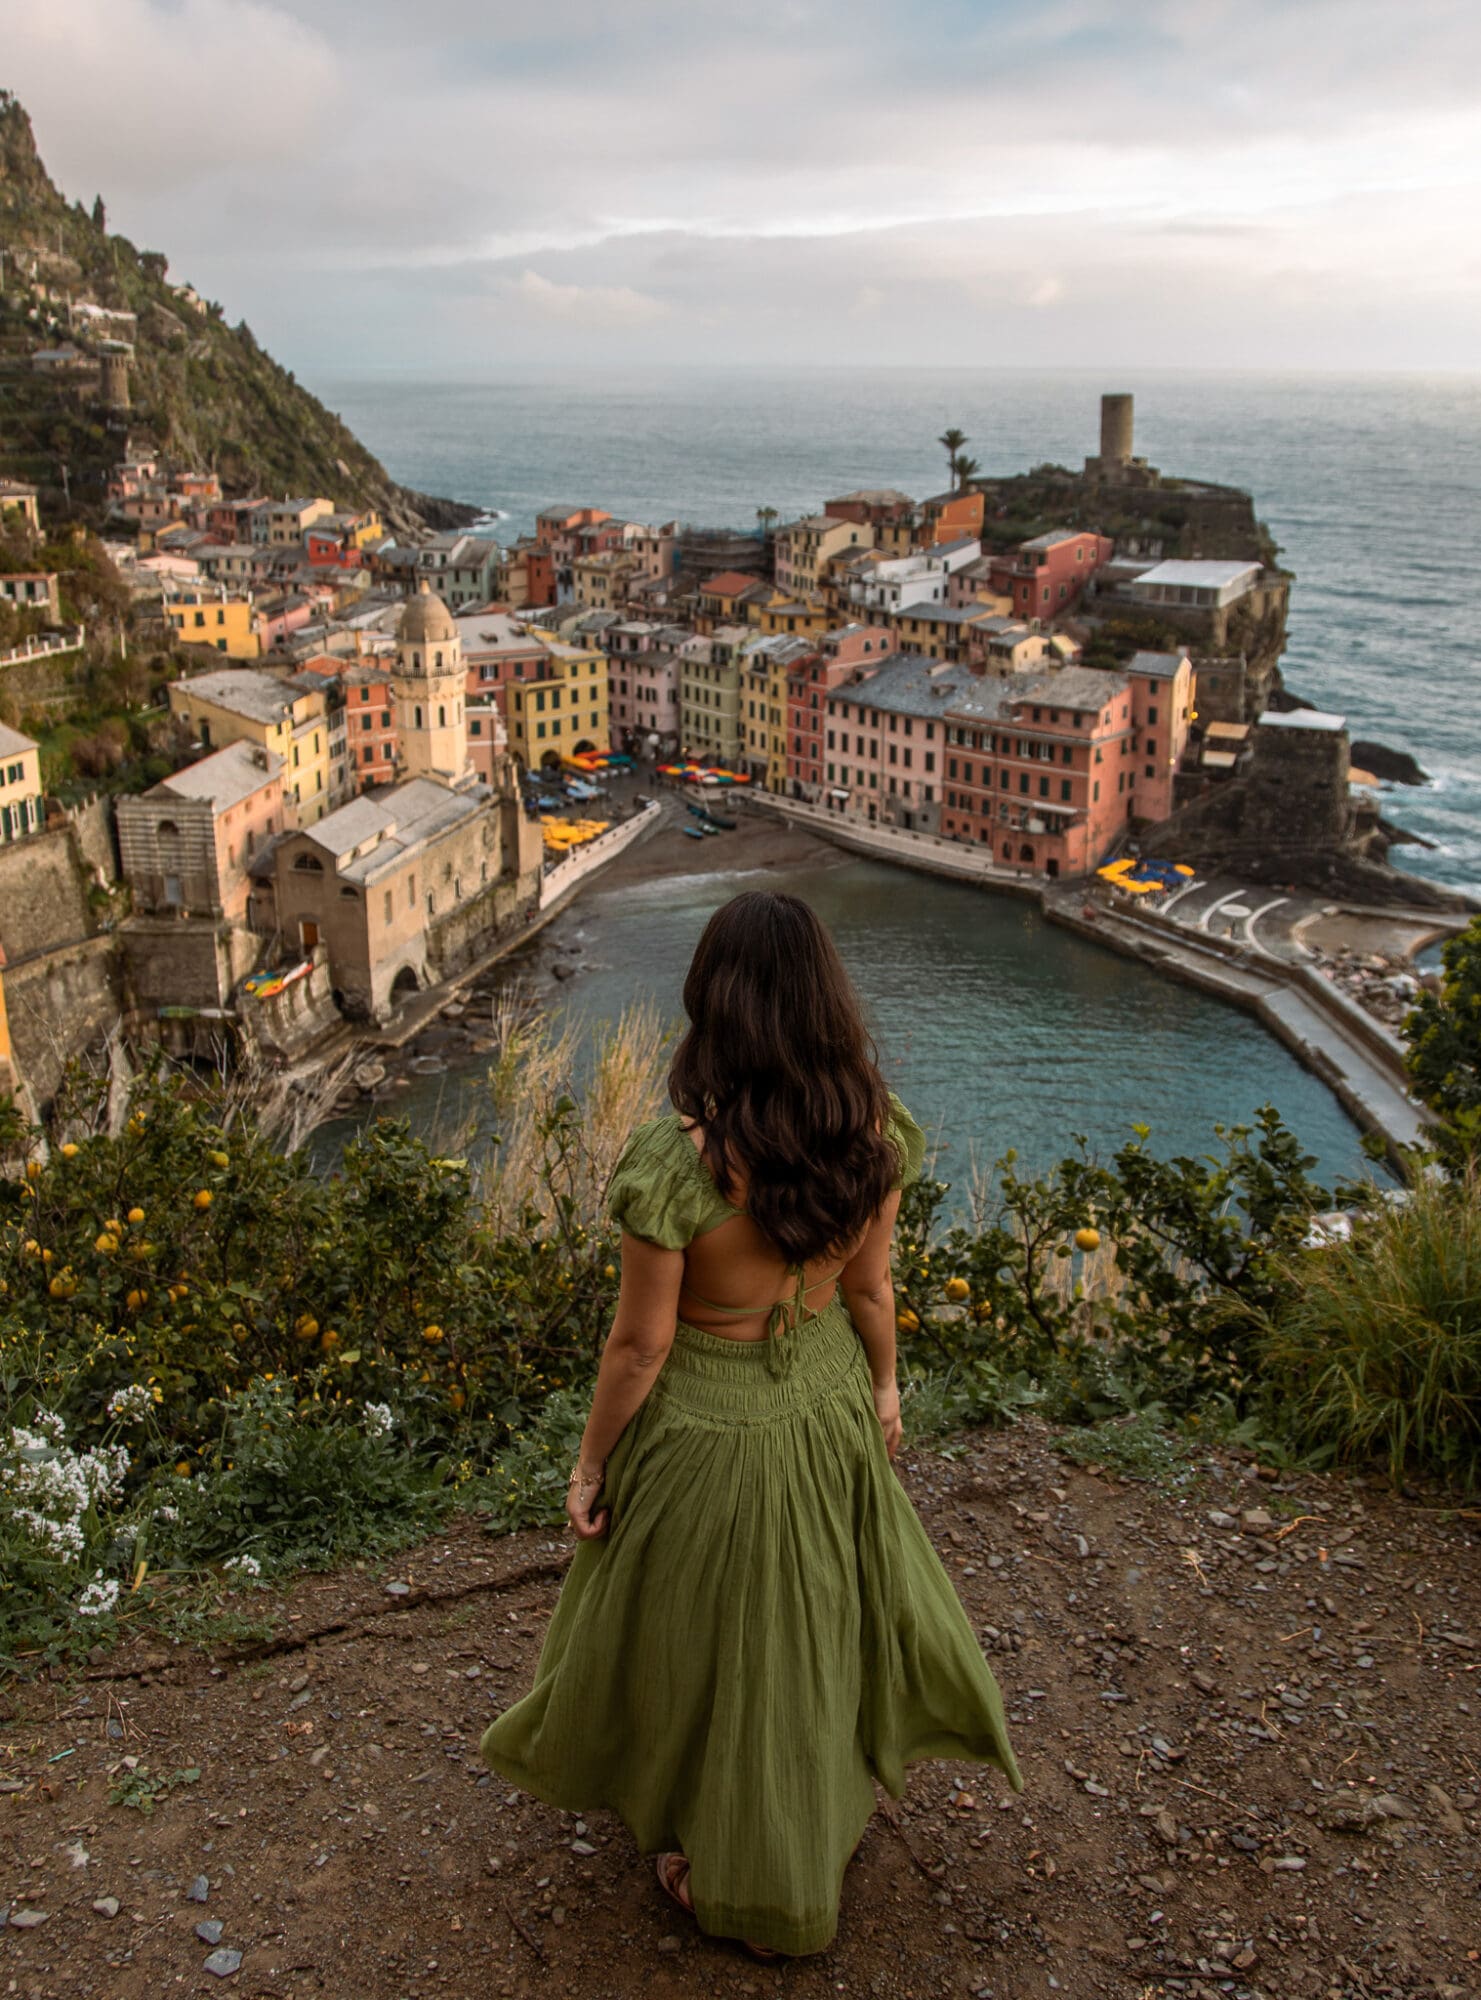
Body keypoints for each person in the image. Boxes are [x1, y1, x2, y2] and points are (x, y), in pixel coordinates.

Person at [480, 891, 1022, 1957]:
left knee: (703, 1626)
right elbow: (870, 1291)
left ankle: (734, 1861)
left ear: (711, 1004)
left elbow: (637, 1348)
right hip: (822, 1393)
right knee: (809, 1622)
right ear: (826, 1000)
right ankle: (811, 1810)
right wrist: (882, 1390)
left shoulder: (679, 1163)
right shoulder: (872, 1135)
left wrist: (589, 1463)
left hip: (704, 1420)